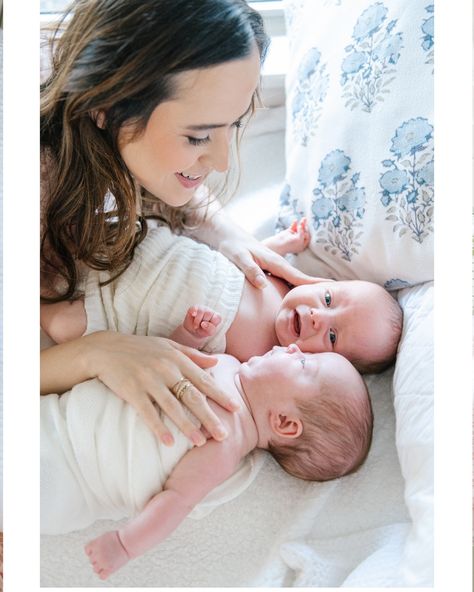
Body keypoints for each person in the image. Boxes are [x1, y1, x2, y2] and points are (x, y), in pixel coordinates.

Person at [40, 0, 321, 449]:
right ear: (106, 106)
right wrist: (95, 352)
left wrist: (221, 229)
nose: (223, 161)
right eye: (198, 137)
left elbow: (164, 178)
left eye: (234, 123)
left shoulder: (104, 134)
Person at [40, 343, 372, 579]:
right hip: (61, 413)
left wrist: (126, 545)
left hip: (73, 478)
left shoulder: (227, 444)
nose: (296, 348)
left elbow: (176, 501)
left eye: (305, 364)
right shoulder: (224, 362)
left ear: (284, 423)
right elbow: (161, 359)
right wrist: (192, 334)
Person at [42, 219, 403, 374]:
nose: (316, 318)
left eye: (333, 335)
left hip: (117, 312)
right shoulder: (278, 281)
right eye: (328, 300)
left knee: (62, 324)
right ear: (321, 281)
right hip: (146, 253)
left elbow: (182, 358)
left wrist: (191, 335)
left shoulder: (260, 359)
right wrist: (284, 243)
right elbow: (251, 255)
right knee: (72, 238)